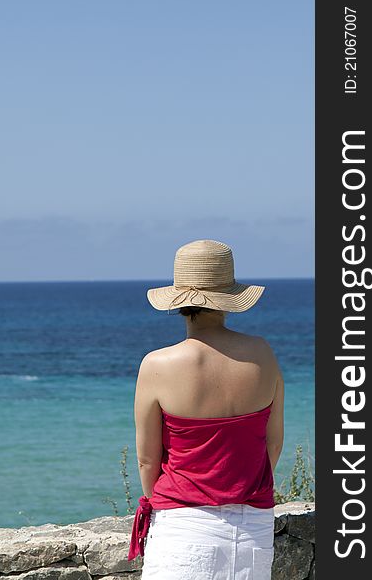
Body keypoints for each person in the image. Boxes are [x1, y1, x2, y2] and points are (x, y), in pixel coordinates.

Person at [127, 239, 284, 580]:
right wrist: (237, 489)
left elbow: (147, 460)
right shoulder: (262, 353)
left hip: (183, 527)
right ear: (230, 297)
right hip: (253, 528)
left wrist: (169, 508)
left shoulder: (157, 364)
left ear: (178, 301)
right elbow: (272, 443)